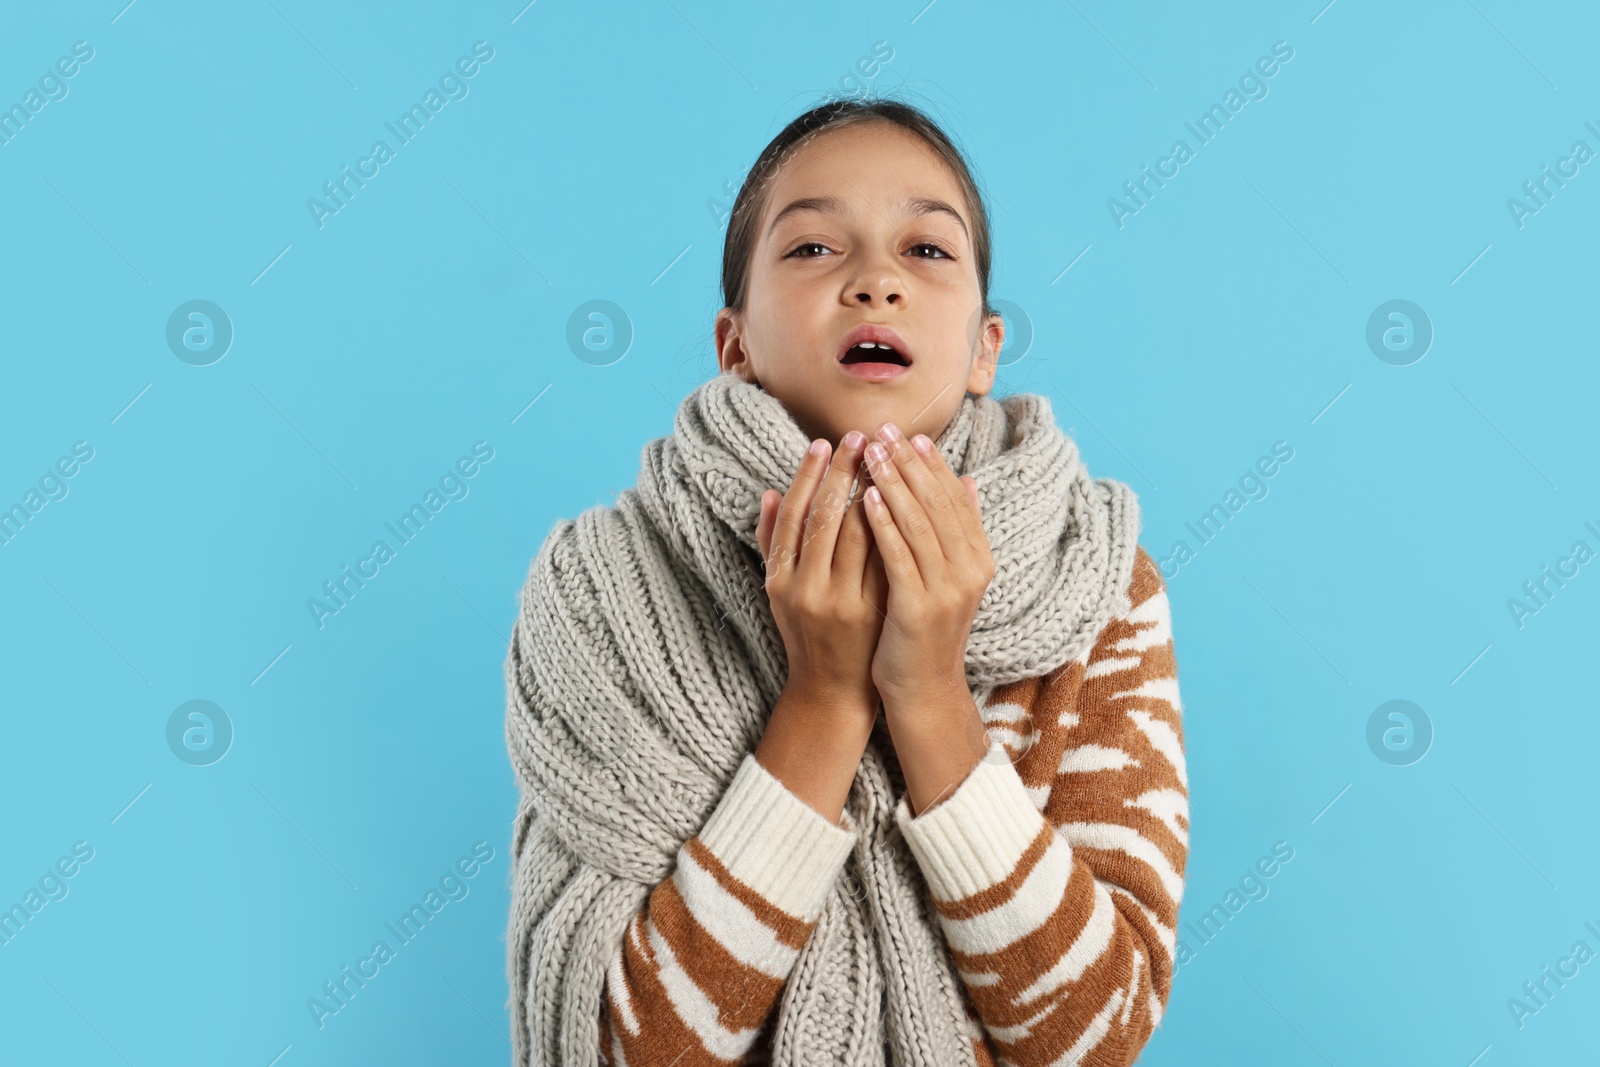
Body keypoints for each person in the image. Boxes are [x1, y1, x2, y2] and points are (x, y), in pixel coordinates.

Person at [504, 95, 1189, 1067]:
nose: (875, 280)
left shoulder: (1095, 582)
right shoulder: (602, 591)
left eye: (927, 250)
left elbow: (1091, 1035)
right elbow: (617, 1050)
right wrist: (824, 696)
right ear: (732, 345)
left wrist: (927, 691)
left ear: (984, 348)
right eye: (814, 249)